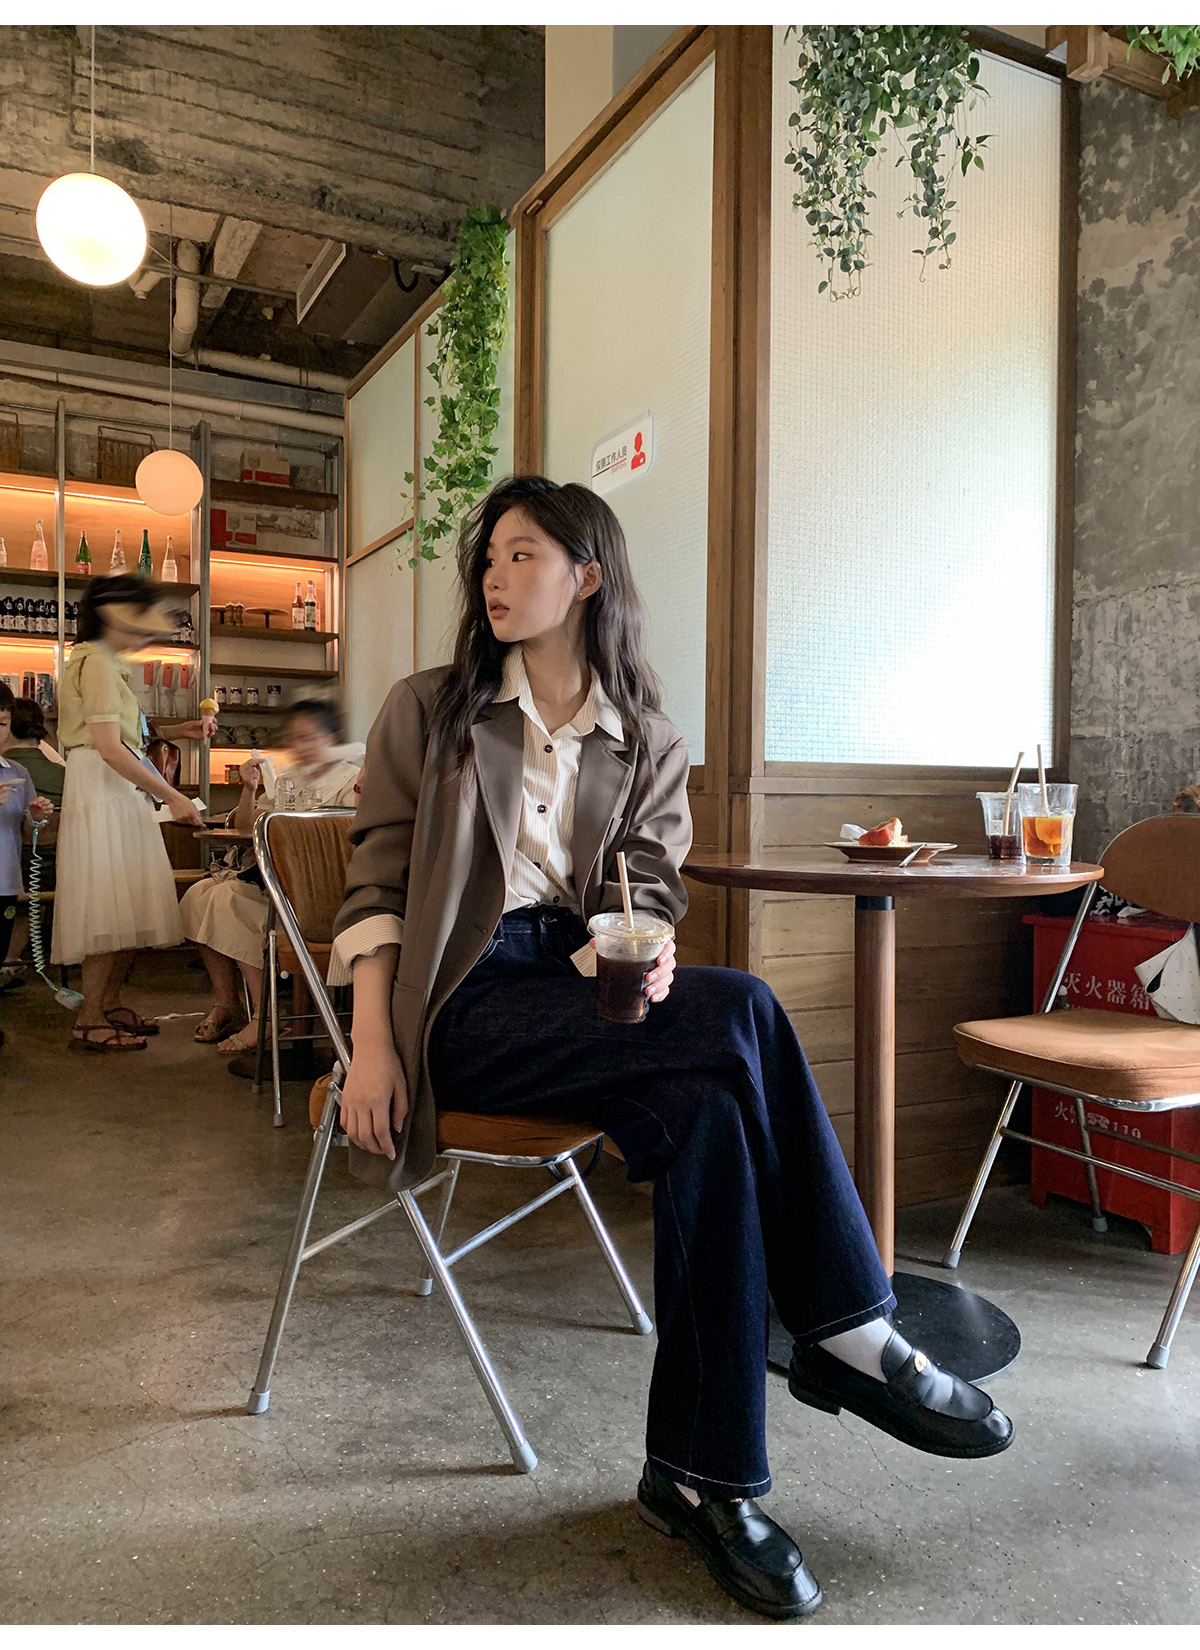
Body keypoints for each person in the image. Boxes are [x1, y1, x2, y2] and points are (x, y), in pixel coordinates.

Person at [329, 475, 1014, 1622]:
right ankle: (849, 1325)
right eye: (488, 558)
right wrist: (370, 1047)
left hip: (577, 993)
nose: (494, 575)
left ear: (587, 576)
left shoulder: (644, 737)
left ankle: (700, 1479)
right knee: (743, 1009)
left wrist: (637, 954)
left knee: (710, 1110)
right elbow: (377, 884)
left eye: (522, 554)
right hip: (462, 1000)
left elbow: (646, 888)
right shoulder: (432, 710)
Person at [51, 575, 205, 1051]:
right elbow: (108, 746)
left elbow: (123, 733)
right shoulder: (97, 662)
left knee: (124, 900)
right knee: (106, 904)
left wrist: (179, 730)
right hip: (105, 786)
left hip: (114, 787)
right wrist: (171, 795)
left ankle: (109, 1003)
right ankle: (90, 1019)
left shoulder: (101, 662)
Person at [179, 699, 362, 1055]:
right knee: (199, 895)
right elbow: (248, 828)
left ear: (332, 738)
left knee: (226, 900)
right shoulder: (288, 778)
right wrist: (249, 788)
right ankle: (228, 1002)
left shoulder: (351, 780)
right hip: (276, 881)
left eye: (310, 737)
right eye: (296, 738)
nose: (302, 746)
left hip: (320, 892)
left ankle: (267, 1015)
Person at [0, 696, 66, 985]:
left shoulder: (18, 772)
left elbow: (29, 829)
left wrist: (37, 815)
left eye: (3, 723)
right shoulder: (59, 771)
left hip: (9, 876)